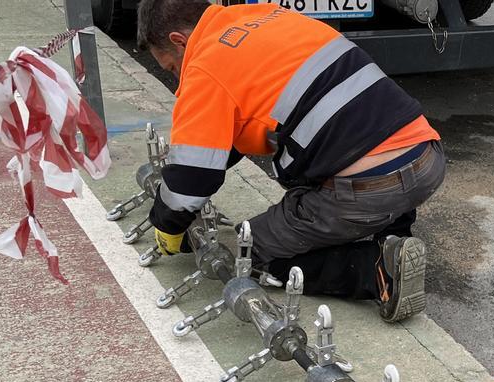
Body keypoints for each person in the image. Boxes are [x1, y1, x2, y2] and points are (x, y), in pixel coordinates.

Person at [136, 0, 444, 322]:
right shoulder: (268, 16)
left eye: (172, 68)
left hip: (368, 189)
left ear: (179, 41)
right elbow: (241, 128)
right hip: (427, 159)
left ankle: (379, 270)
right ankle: (393, 234)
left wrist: (168, 224)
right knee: (357, 145)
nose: (177, 78)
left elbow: (190, 179)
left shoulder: (204, 65)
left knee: (246, 254)